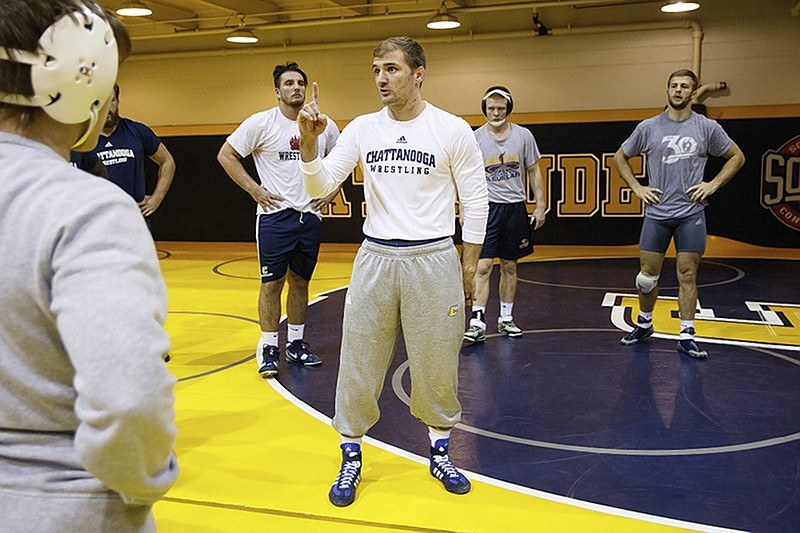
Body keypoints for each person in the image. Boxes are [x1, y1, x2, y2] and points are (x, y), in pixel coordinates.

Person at [0, 2, 178, 532]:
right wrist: (143, 483)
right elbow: (129, 400)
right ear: (87, 79)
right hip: (62, 508)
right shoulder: (87, 208)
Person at [297, 36, 489, 507]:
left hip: (434, 257)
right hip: (376, 257)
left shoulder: (451, 129)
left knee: (436, 361)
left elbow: (477, 199)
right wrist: (307, 144)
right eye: (376, 69)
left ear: (418, 73)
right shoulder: (363, 129)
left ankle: (440, 450)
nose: (381, 78)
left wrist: (468, 264)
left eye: (391, 68)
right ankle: (351, 453)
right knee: (359, 359)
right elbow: (320, 186)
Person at [217, 61, 340, 378]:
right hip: (274, 218)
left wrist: (332, 191)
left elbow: (342, 160)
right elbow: (226, 155)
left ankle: (296, 345)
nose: (296, 88)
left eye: (300, 83)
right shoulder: (261, 123)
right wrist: (254, 189)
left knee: (301, 283)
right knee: (272, 284)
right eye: (288, 83)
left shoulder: (324, 125)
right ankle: (269, 347)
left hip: (310, 216)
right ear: (277, 91)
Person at [613, 68, 745, 359]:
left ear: (693, 92)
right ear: (667, 90)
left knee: (687, 274)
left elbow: (737, 156)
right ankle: (645, 324)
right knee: (646, 278)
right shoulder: (649, 127)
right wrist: (637, 187)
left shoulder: (706, 127)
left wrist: (713, 184)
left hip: (691, 213)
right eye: (673, 85)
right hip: (657, 213)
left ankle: (686, 334)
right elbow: (620, 157)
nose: (678, 90)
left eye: (684, 86)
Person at [463, 86, 546, 344]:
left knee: (510, 265)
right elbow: (465, 176)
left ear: (508, 109)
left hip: (515, 208)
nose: (495, 112)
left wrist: (540, 204)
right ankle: (477, 321)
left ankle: (506, 318)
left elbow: (533, 170)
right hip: (486, 209)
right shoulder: (475, 138)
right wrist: (464, 208)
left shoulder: (523, 136)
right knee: (484, 266)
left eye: (500, 108)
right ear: (484, 110)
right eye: (491, 108)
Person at [94, 84, 176, 220]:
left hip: (135, 217)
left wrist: (156, 199)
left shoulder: (137, 131)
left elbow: (167, 161)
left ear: (118, 101)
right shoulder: (83, 138)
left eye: (111, 101)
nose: (107, 108)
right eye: (101, 103)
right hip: (100, 219)